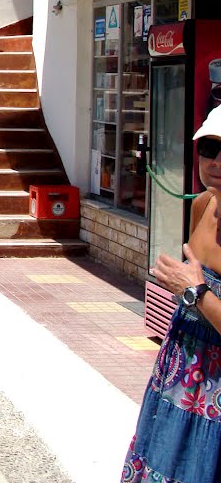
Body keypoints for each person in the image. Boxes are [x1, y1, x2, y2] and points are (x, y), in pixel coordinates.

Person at [122, 108, 221, 481]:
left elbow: (195, 288)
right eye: (209, 148)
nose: (216, 162)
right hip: (181, 370)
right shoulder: (203, 204)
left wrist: (194, 292)